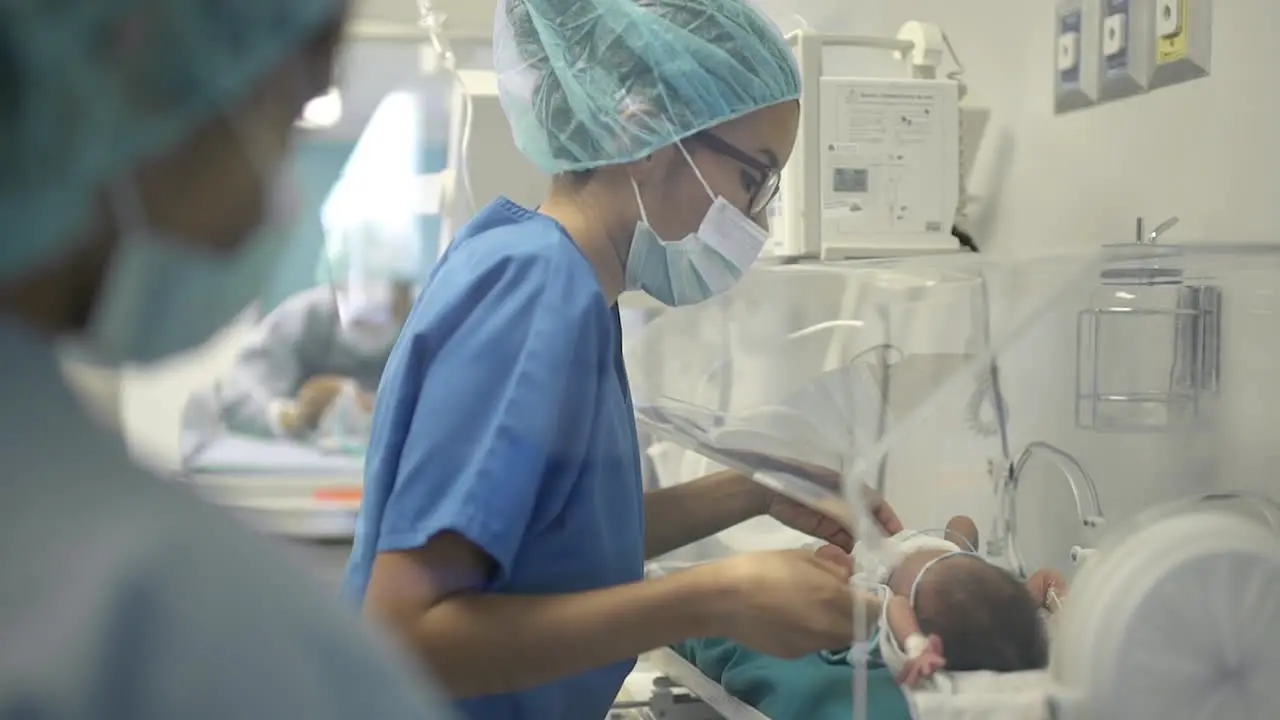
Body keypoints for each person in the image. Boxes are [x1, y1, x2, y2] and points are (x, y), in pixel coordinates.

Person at [344, 0, 901, 718]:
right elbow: (402, 635)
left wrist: (758, 484)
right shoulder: (533, 289)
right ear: (646, 133)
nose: (756, 221)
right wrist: (714, 598)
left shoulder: (572, 289)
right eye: (754, 180)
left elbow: (563, 543)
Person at [0, 1, 457, 718]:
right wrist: (301, 409)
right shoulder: (188, 637)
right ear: (130, 79)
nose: (267, 207)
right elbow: (247, 392)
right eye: (288, 118)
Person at [216, 227, 418, 441]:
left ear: (406, 289)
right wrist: (290, 417)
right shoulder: (305, 319)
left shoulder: (426, 327)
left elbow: (447, 410)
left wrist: (375, 412)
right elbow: (240, 391)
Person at [823, 515, 1064, 685]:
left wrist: (914, 642)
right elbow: (1046, 579)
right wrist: (1066, 609)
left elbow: (896, 605)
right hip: (948, 549)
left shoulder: (904, 608)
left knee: (830, 558)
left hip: (880, 564)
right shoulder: (1012, 609)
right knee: (963, 523)